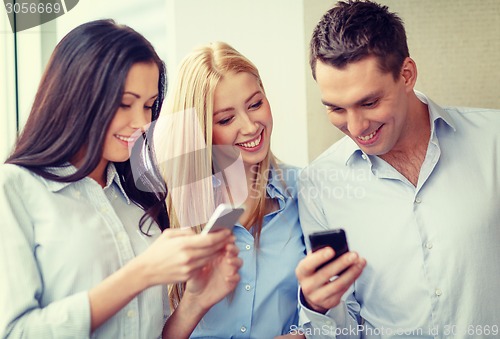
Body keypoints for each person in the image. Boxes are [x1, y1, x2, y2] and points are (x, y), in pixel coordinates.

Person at [0, 20, 242, 339]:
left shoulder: (137, 200)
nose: (142, 122)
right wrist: (141, 274)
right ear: (76, 96)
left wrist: (196, 302)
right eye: (125, 104)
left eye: (149, 105)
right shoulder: (15, 189)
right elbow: (15, 331)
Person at [295, 0, 500, 338]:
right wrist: (319, 307)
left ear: (406, 74)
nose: (356, 126)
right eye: (336, 108)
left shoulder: (493, 141)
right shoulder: (318, 184)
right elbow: (340, 332)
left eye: (369, 102)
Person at [154, 41, 306, 338]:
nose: (250, 126)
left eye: (255, 104)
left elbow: (337, 310)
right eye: (226, 119)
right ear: (199, 130)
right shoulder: (163, 210)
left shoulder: (304, 190)